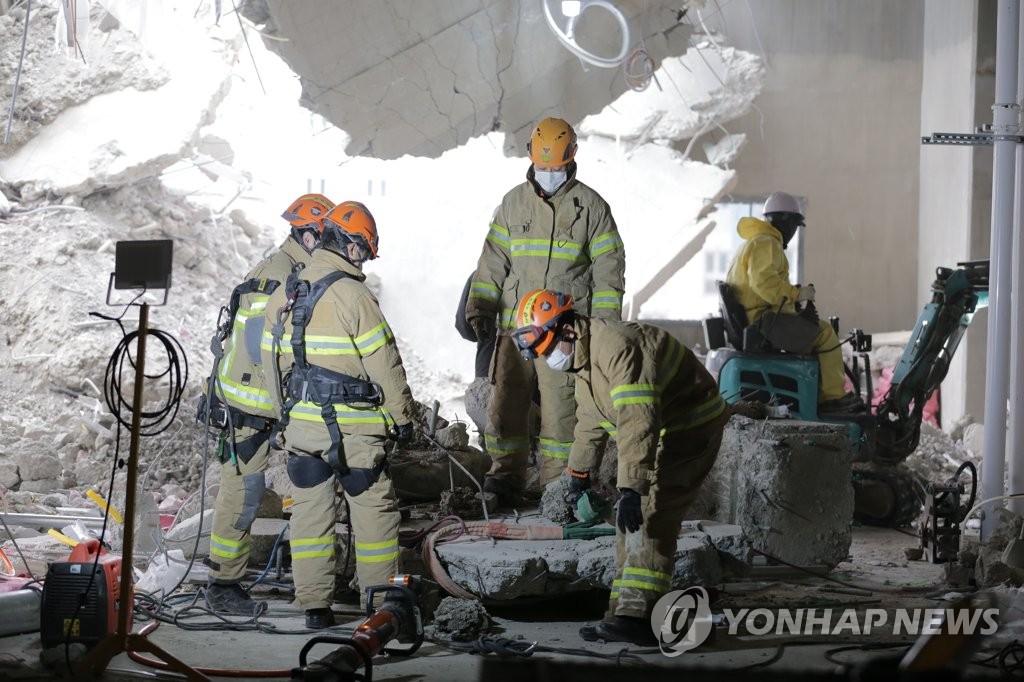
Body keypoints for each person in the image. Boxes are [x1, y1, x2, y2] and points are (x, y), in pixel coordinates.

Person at [510, 289, 730, 645]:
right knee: (631, 522)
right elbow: (589, 422)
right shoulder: (585, 363)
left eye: (548, 349)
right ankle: (622, 614)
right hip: (663, 429)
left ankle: (643, 618)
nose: (547, 358)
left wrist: (631, 486)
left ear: (568, 330)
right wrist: (577, 475)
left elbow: (637, 422)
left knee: (653, 515)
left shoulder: (617, 348)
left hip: (692, 427)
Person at [261, 200, 416, 629]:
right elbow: (386, 365)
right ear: (351, 247)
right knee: (374, 512)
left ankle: (314, 607)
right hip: (355, 435)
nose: (363, 260)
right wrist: (403, 419)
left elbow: (269, 362)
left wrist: (283, 417)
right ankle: (382, 607)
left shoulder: (287, 292)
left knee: (310, 515)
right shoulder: (355, 296)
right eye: (363, 251)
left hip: (303, 432)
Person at [465, 117, 626, 506]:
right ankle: (503, 479)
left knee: (562, 413)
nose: (549, 174)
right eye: (543, 167)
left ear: (572, 157)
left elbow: (609, 271)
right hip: (514, 329)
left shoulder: (591, 208)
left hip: (564, 331)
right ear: (530, 158)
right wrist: (480, 307)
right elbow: (492, 262)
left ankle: (557, 487)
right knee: (505, 406)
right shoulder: (513, 203)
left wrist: (602, 329)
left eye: (555, 168)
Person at [200, 193, 334, 616]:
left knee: (244, 489)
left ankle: (226, 577)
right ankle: (223, 583)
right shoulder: (281, 277)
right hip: (247, 401)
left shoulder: (289, 268)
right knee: (242, 491)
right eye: (326, 235)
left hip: (251, 398)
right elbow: (264, 348)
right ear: (309, 234)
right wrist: (286, 406)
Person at [724, 191, 863, 414]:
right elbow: (765, 285)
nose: (794, 232)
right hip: (764, 322)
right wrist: (797, 295)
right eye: (795, 226)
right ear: (786, 222)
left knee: (814, 332)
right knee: (825, 334)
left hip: (759, 318)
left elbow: (762, 289)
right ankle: (832, 399)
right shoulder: (767, 243)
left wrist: (793, 302)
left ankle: (819, 394)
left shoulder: (755, 243)